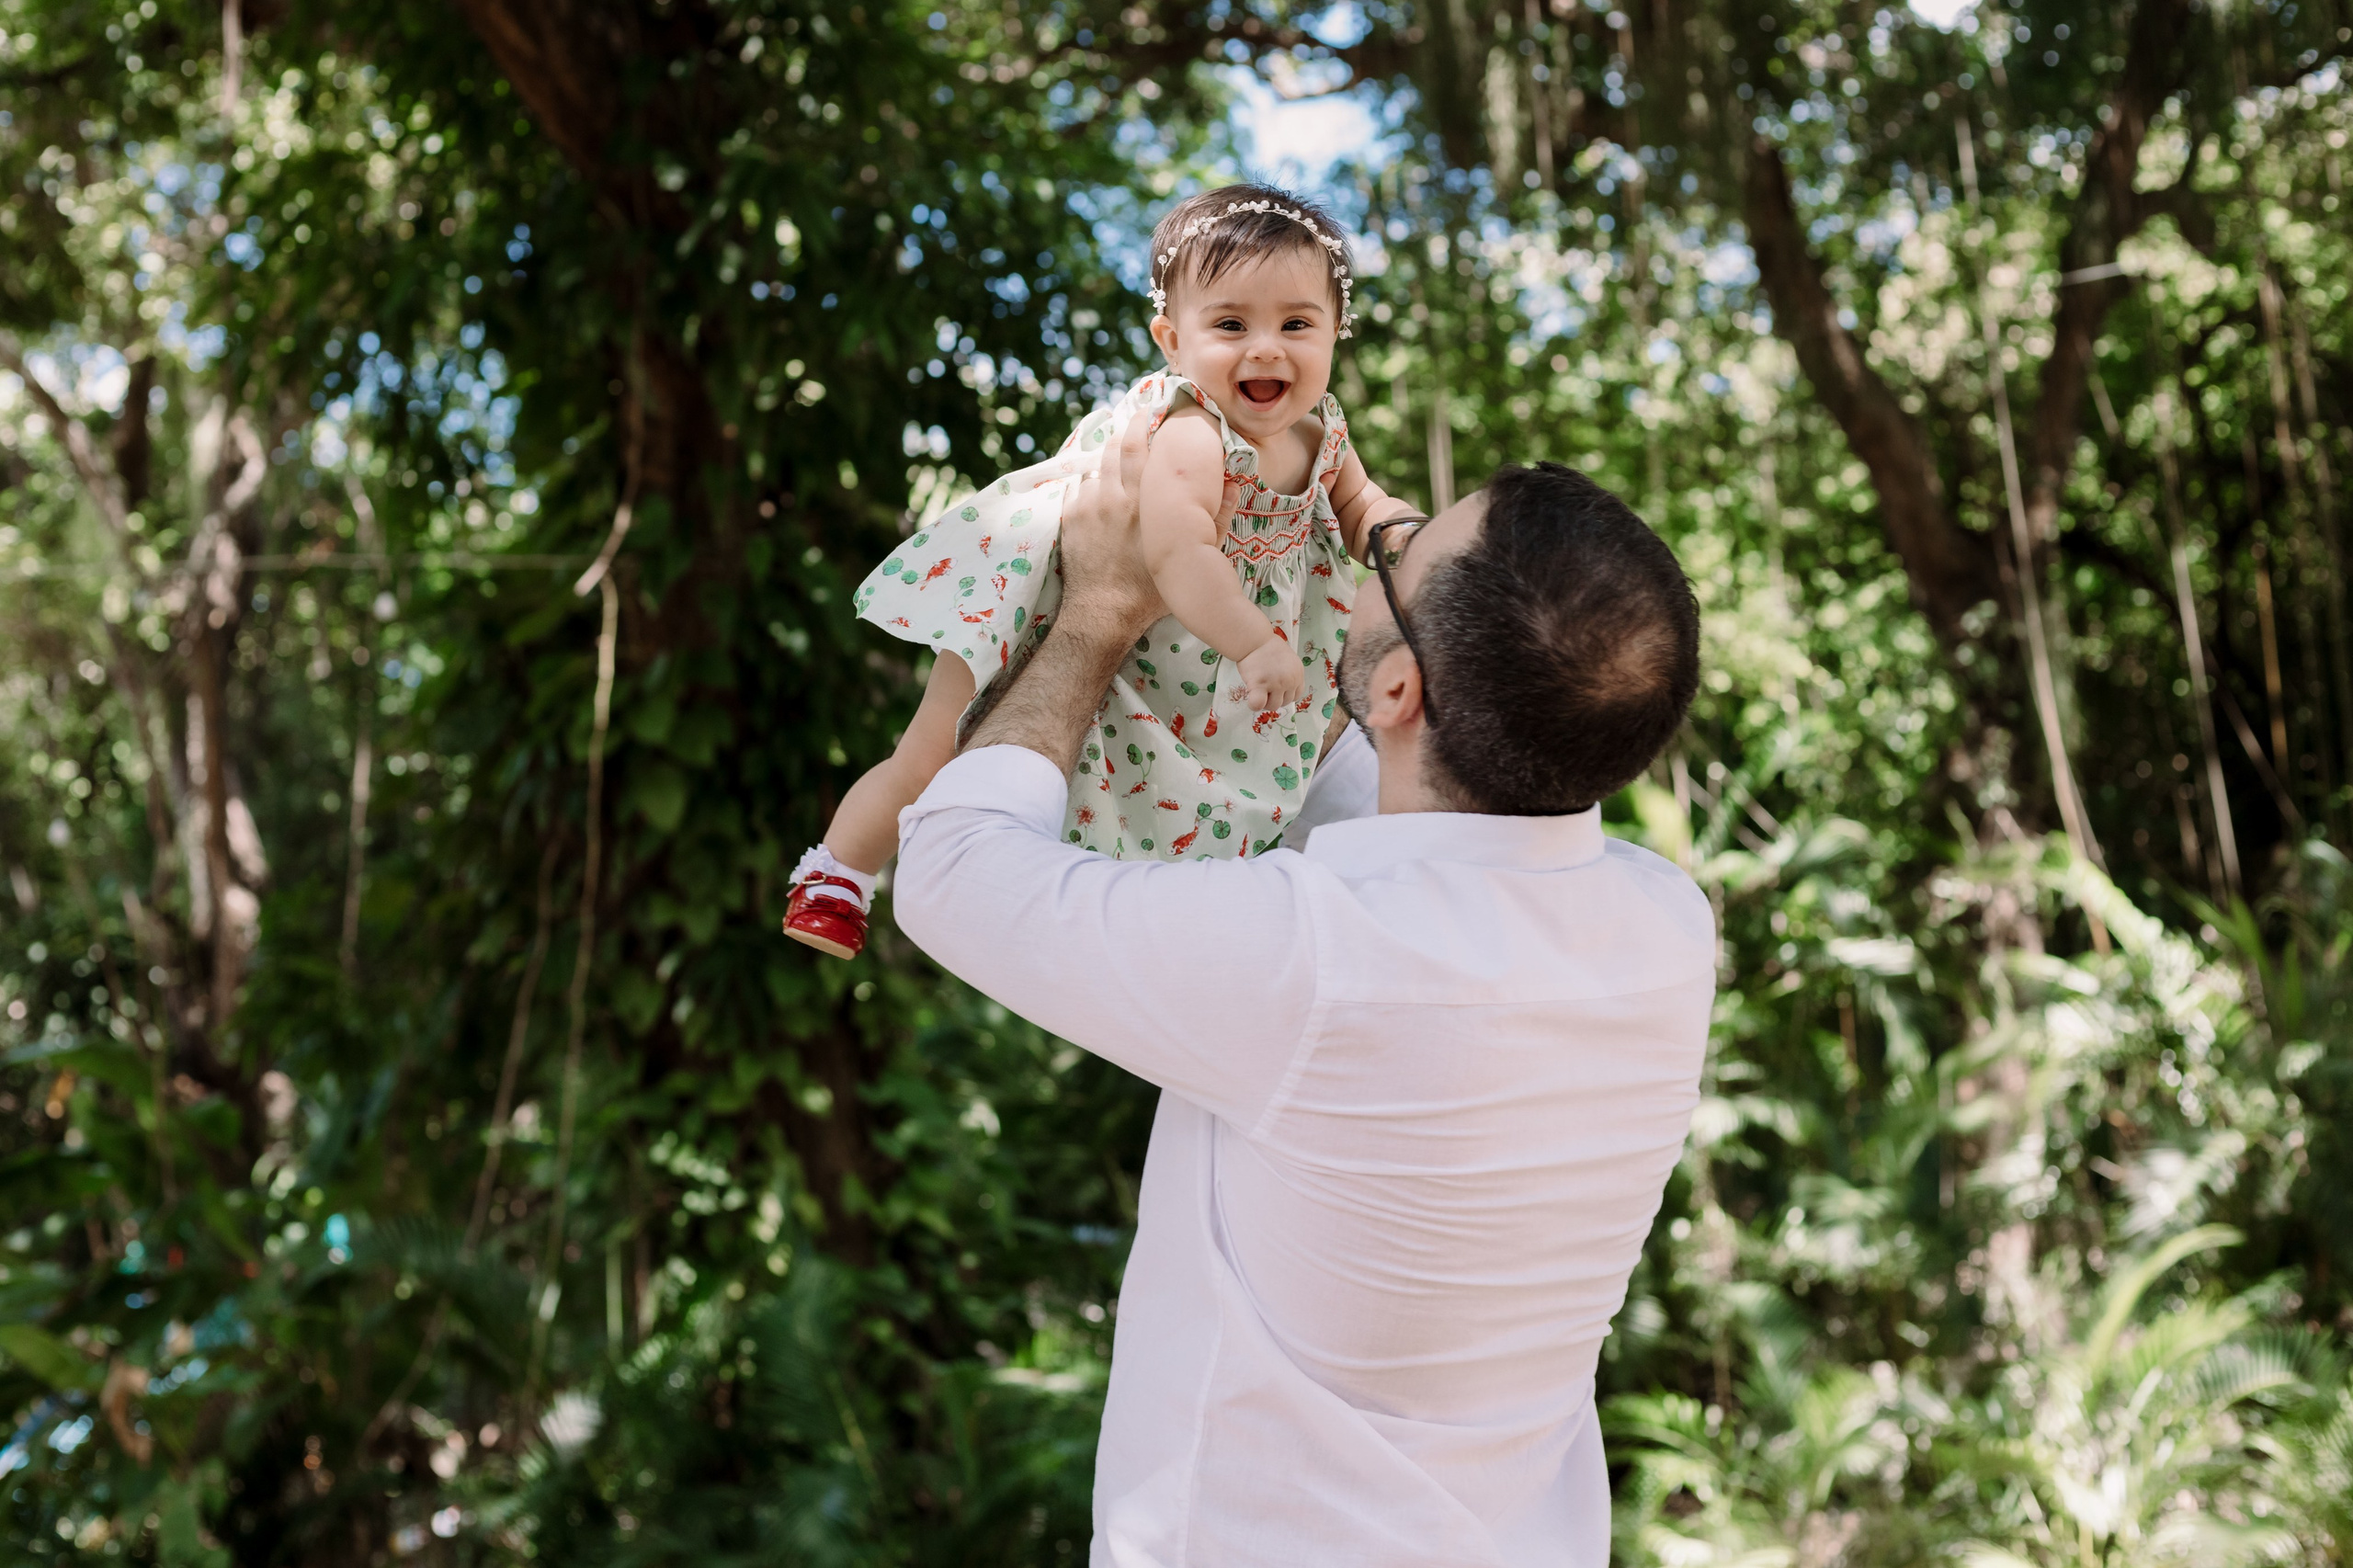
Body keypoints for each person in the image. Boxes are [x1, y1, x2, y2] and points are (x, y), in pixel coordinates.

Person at [892, 415, 1714, 1567]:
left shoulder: (1319, 962)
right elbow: (1373, 795)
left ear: (1398, 691)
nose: (1384, 535)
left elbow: (952, 869)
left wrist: (1092, 614)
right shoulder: (1665, 927)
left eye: (1398, 553)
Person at [783, 184, 1423, 960]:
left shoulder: (1320, 429)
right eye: (1230, 324)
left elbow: (1358, 501)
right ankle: (837, 874)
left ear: (1335, 334)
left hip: (1188, 635)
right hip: (1055, 596)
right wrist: (1255, 644)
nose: (1265, 348)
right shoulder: (1194, 433)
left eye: (1296, 323)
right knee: (941, 745)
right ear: (1172, 340)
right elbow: (1177, 554)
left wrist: (1398, 535)